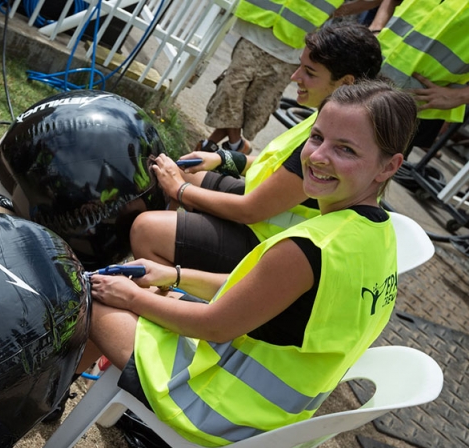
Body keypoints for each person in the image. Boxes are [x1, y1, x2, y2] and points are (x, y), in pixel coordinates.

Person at [75, 80, 415, 447]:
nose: (317, 156)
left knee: (93, 295)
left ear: (388, 166)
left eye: (345, 150)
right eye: (316, 138)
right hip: (274, 414)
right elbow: (257, 297)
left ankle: (41, 399)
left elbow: (215, 326)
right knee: (147, 293)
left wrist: (131, 298)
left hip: (220, 406)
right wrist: (173, 275)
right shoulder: (379, 236)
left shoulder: (308, 247)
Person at [130, 22, 382, 273]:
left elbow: (250, 211)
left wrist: (179, 189)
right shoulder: (332, 116)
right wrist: (221, 158)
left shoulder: (330, 143)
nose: (295, 78)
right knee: (182, 170)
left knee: (145, 229)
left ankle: (179, 296)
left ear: (346, 83)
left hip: (269, 245)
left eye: (310, 72)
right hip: (262, 215)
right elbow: (279, 164)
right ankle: (180, 253)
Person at [198, 0, 379, 154]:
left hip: (293, 43)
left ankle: (213, 144)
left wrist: (329, 13)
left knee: (255, 103)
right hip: (258, 25)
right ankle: (236, 144)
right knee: (231, 88)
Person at [368, 0, 469, 151]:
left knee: (372, 165)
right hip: (370, 68)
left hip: (417, 103)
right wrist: (375, 29)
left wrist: (460, 96)